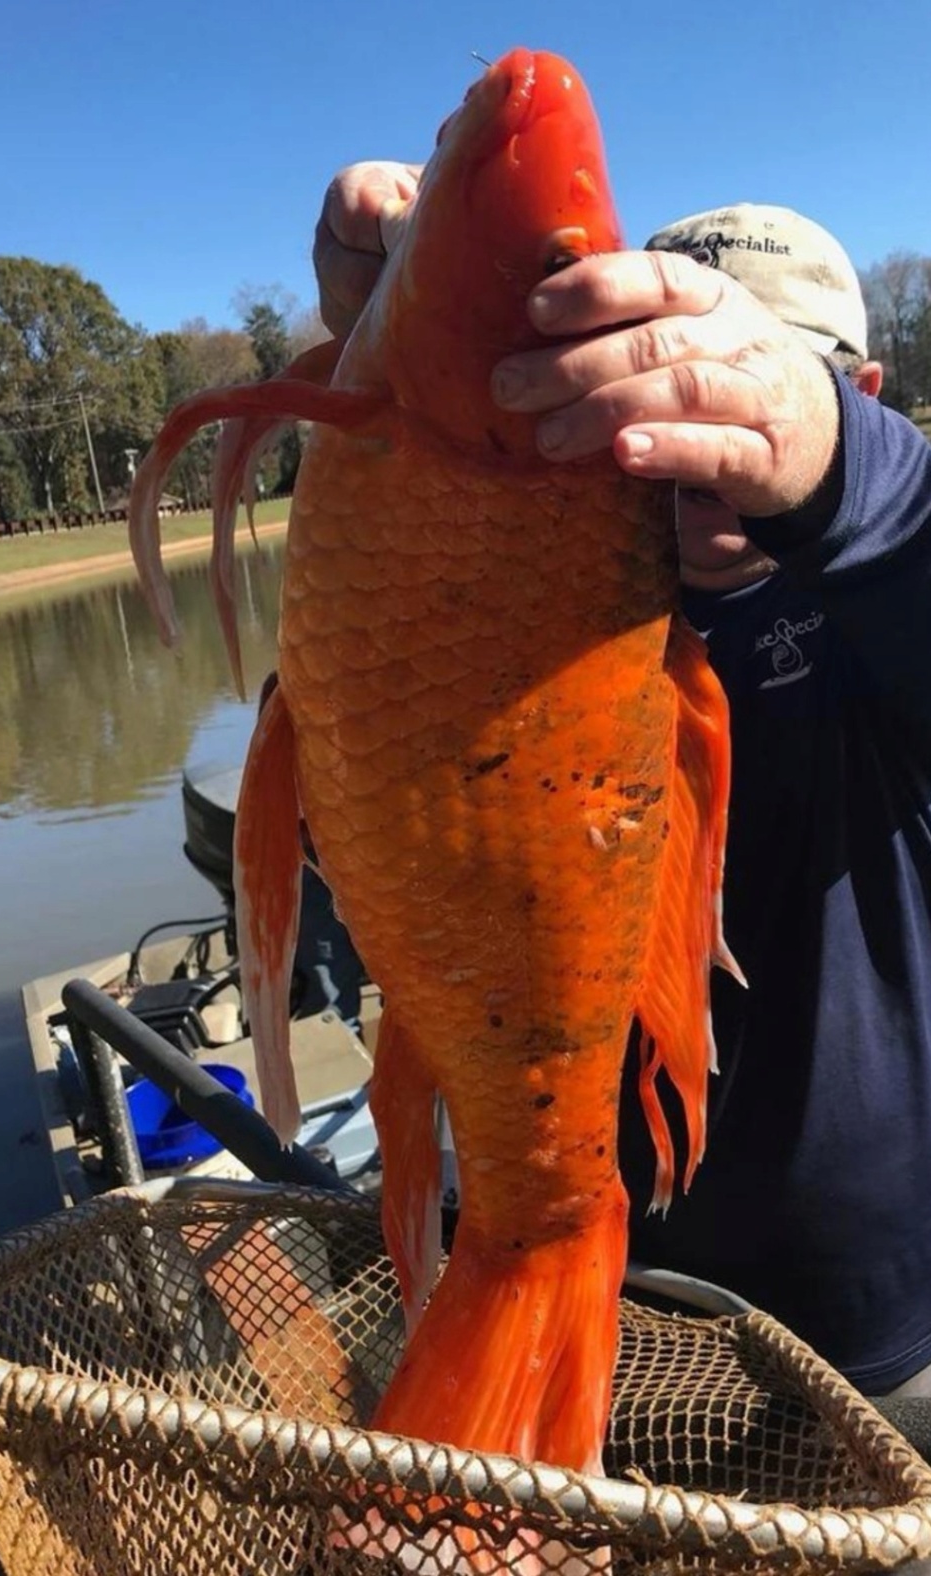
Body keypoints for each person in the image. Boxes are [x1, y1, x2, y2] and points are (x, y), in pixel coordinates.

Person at [311, 164, 931, 1400]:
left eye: (750, 368)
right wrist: (391, 377)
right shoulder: (503, 610)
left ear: (855, 393)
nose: (698, 423)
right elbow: (359, 847)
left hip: (869, 1314)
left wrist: (826, 462)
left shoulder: (884, 598)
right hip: (600, 1281)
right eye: (649, 359)